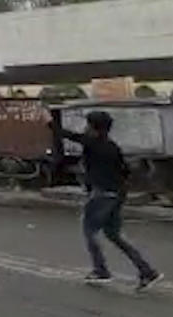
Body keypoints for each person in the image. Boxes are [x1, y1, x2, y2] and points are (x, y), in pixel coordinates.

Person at [49, 110, 162, 290]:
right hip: (117, 193)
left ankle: (100, 270)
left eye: (88, 125)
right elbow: (124, 170)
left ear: (94, 128)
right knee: (113, 234)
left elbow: (70, 136)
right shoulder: (112, 145)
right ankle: (146, 271)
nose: (85, 128)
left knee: (89, 231)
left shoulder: (93, 142)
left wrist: (50, 124)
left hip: (102, 193)